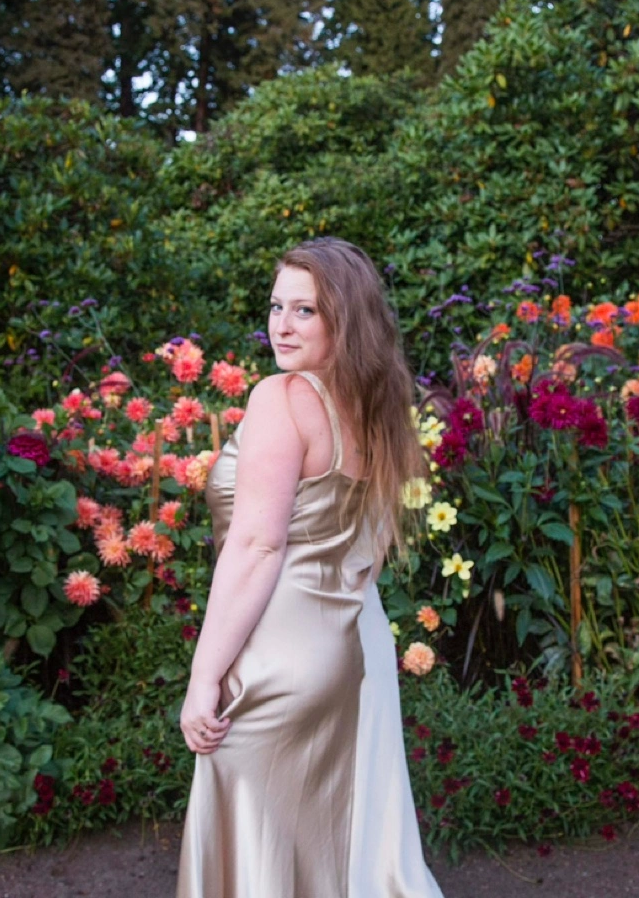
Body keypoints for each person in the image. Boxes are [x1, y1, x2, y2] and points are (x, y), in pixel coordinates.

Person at [175, 238, 446, 897]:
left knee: (259, 838)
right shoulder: (373, 407)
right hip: (354, 644)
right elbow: (367, 549)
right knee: (341, 843)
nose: (282, 325)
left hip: (280, 650)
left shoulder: (283, 396)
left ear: (343, 321)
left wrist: (204, 677)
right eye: (277, 307)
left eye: (306, 310)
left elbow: (256, 546)